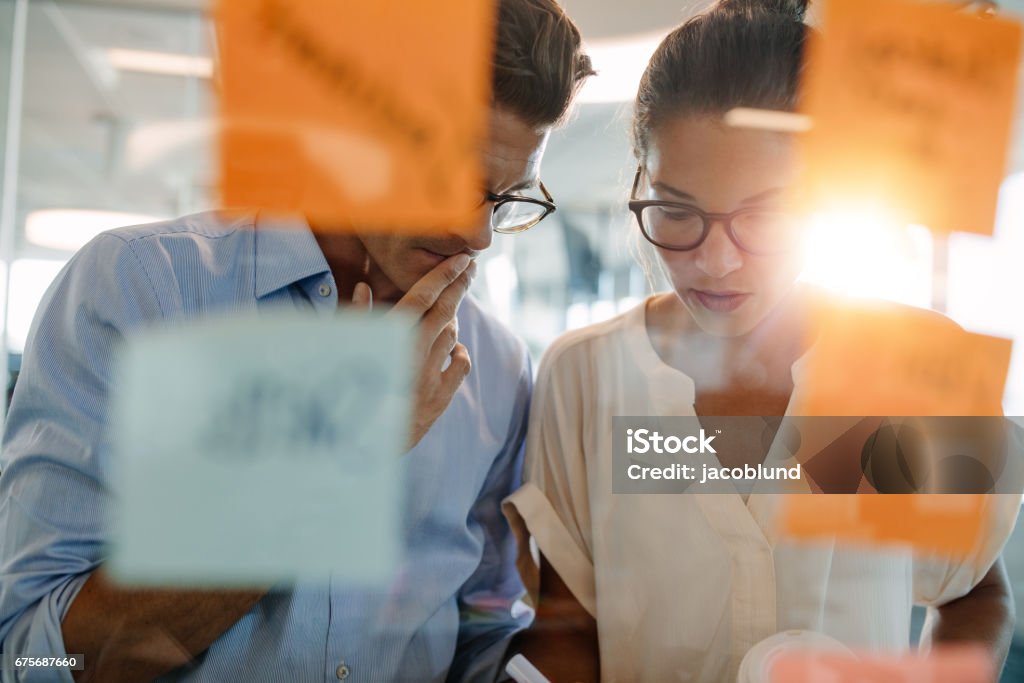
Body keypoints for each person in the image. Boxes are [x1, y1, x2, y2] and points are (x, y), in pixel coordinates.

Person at [0, 1, 593, 681]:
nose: (479, 233)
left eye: (508, 197)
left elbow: (483, 631)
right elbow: (35, 655)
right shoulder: (138, 293)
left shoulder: (497, 368)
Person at [503, 1, 1017, 681]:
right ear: (640, 184)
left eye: (765, 216)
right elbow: (568, 624)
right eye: (676, 210)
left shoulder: (917, 366)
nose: (715, 261)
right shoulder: (585, 375)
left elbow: (977, 593)